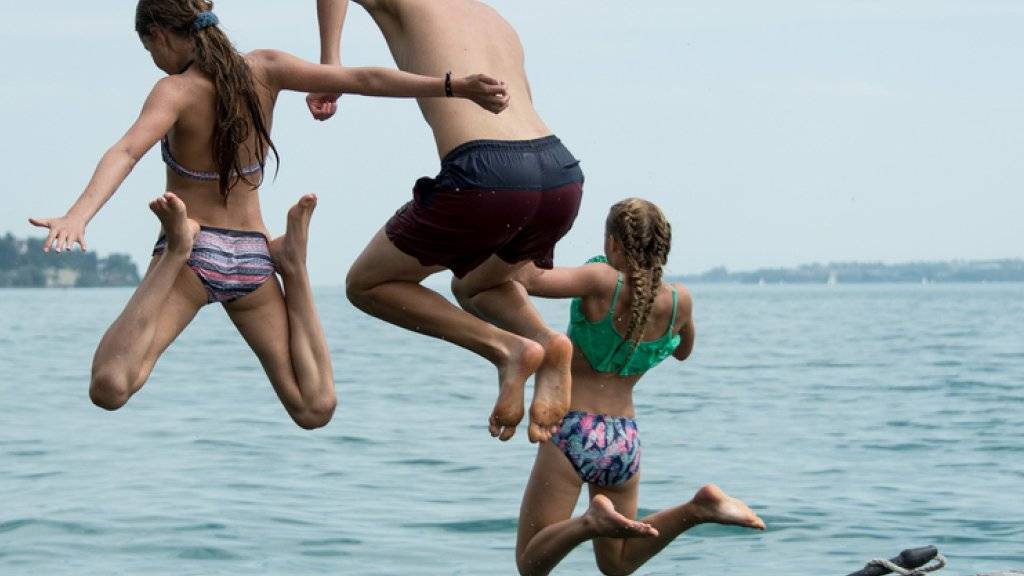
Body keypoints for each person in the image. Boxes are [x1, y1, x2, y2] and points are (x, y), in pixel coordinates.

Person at [28, 0, 509, 429]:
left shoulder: (173, 90)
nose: (154, 60)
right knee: (314, 407)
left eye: (149, 49)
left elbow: (127, 151)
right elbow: (362, 79)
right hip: (254, 259)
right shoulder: (266, 68)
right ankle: (294, 266)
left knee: (109, 387)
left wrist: (79, 214)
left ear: (158, 34)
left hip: (194, 256)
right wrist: (452, 85)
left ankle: (177, 249)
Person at [309, 0, 585, 443]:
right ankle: (546, 342)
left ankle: (508, 350)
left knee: (366, 285)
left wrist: (330, 69)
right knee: (477, 284)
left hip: (487, 173)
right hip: (559, 173)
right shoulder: (495, 19)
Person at [513, 198, 765, 575]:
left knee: (530, 564)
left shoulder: (600, 280)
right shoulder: (679, 300)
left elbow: (526, 279)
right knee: (617, 566)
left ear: (613, 243)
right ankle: (698, 509)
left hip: (573, 428)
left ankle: (589, 523)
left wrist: (524, 228)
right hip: (623, 440)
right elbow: (683, 351)